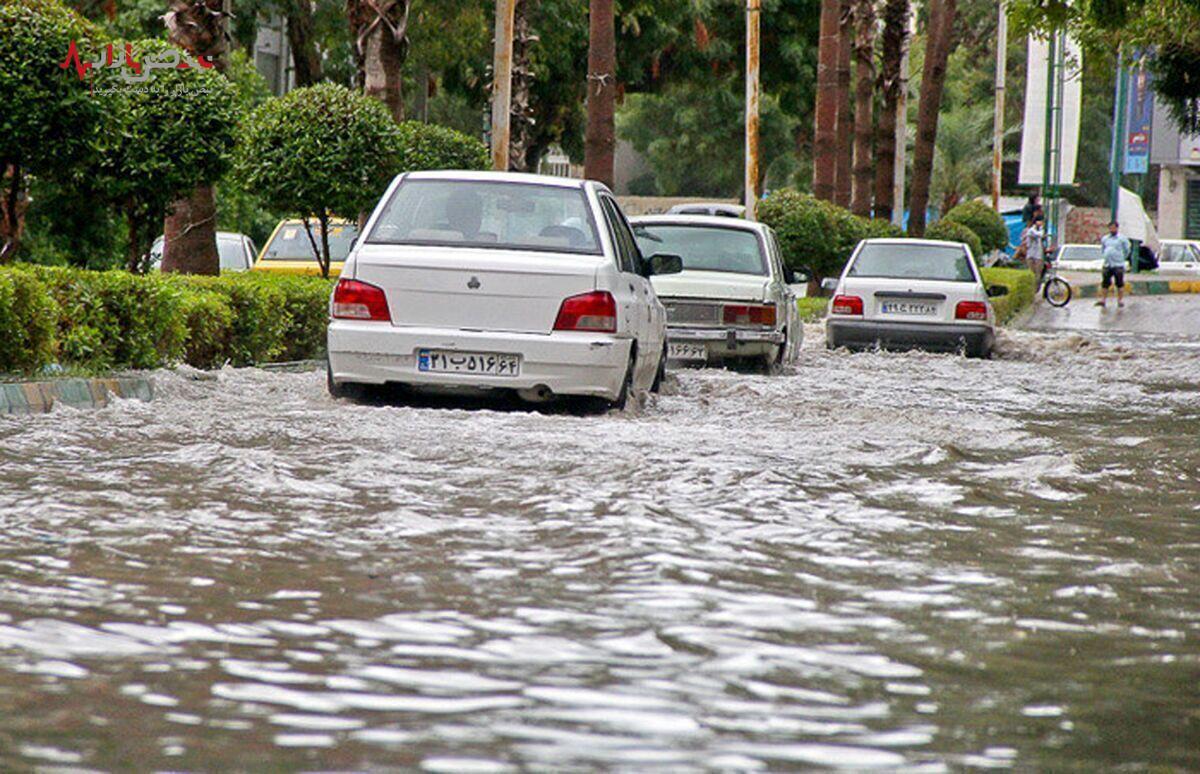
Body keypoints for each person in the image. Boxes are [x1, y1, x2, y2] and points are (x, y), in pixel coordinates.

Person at [1097, 220, 1131, 308]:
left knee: (1119, 283)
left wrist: (1121, 258)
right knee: (1105, 283)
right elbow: (1103, 249)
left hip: (1118, 264)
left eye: (1114, 228)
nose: (1112, 229)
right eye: (1110, 228)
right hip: (1108, 264)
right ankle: (1103, 300)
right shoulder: (1105, 238)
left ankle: (1120, 300)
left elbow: (1127, 250)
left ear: (1117, 228)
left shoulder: (1122, 239)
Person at [1021, 215, 1048, 284]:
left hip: (1038, 256)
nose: (1042, 223)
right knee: (1032, 274)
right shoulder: (1031, 230)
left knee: (1038, 275)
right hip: (1031, 256)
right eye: (1040, 221)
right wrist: (1042, 229)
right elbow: (1039, 234)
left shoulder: (1038, 231)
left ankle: (1036, 290)